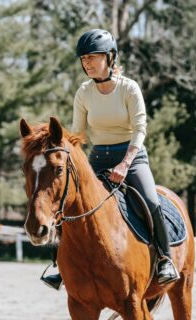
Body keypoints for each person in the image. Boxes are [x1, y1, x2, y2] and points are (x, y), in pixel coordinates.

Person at [41, 29, 179, 290]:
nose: (87, 63)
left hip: (132, 157)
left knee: (151, 201)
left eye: (93, 57)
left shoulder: (129, 88)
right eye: (83, 59)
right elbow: (78, 135)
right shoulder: (83, 93)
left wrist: (126, 163)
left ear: (110, 57)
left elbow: (140, 129)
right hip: (97, 157)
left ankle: (164, 259)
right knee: (68, 203)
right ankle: (61, 266)